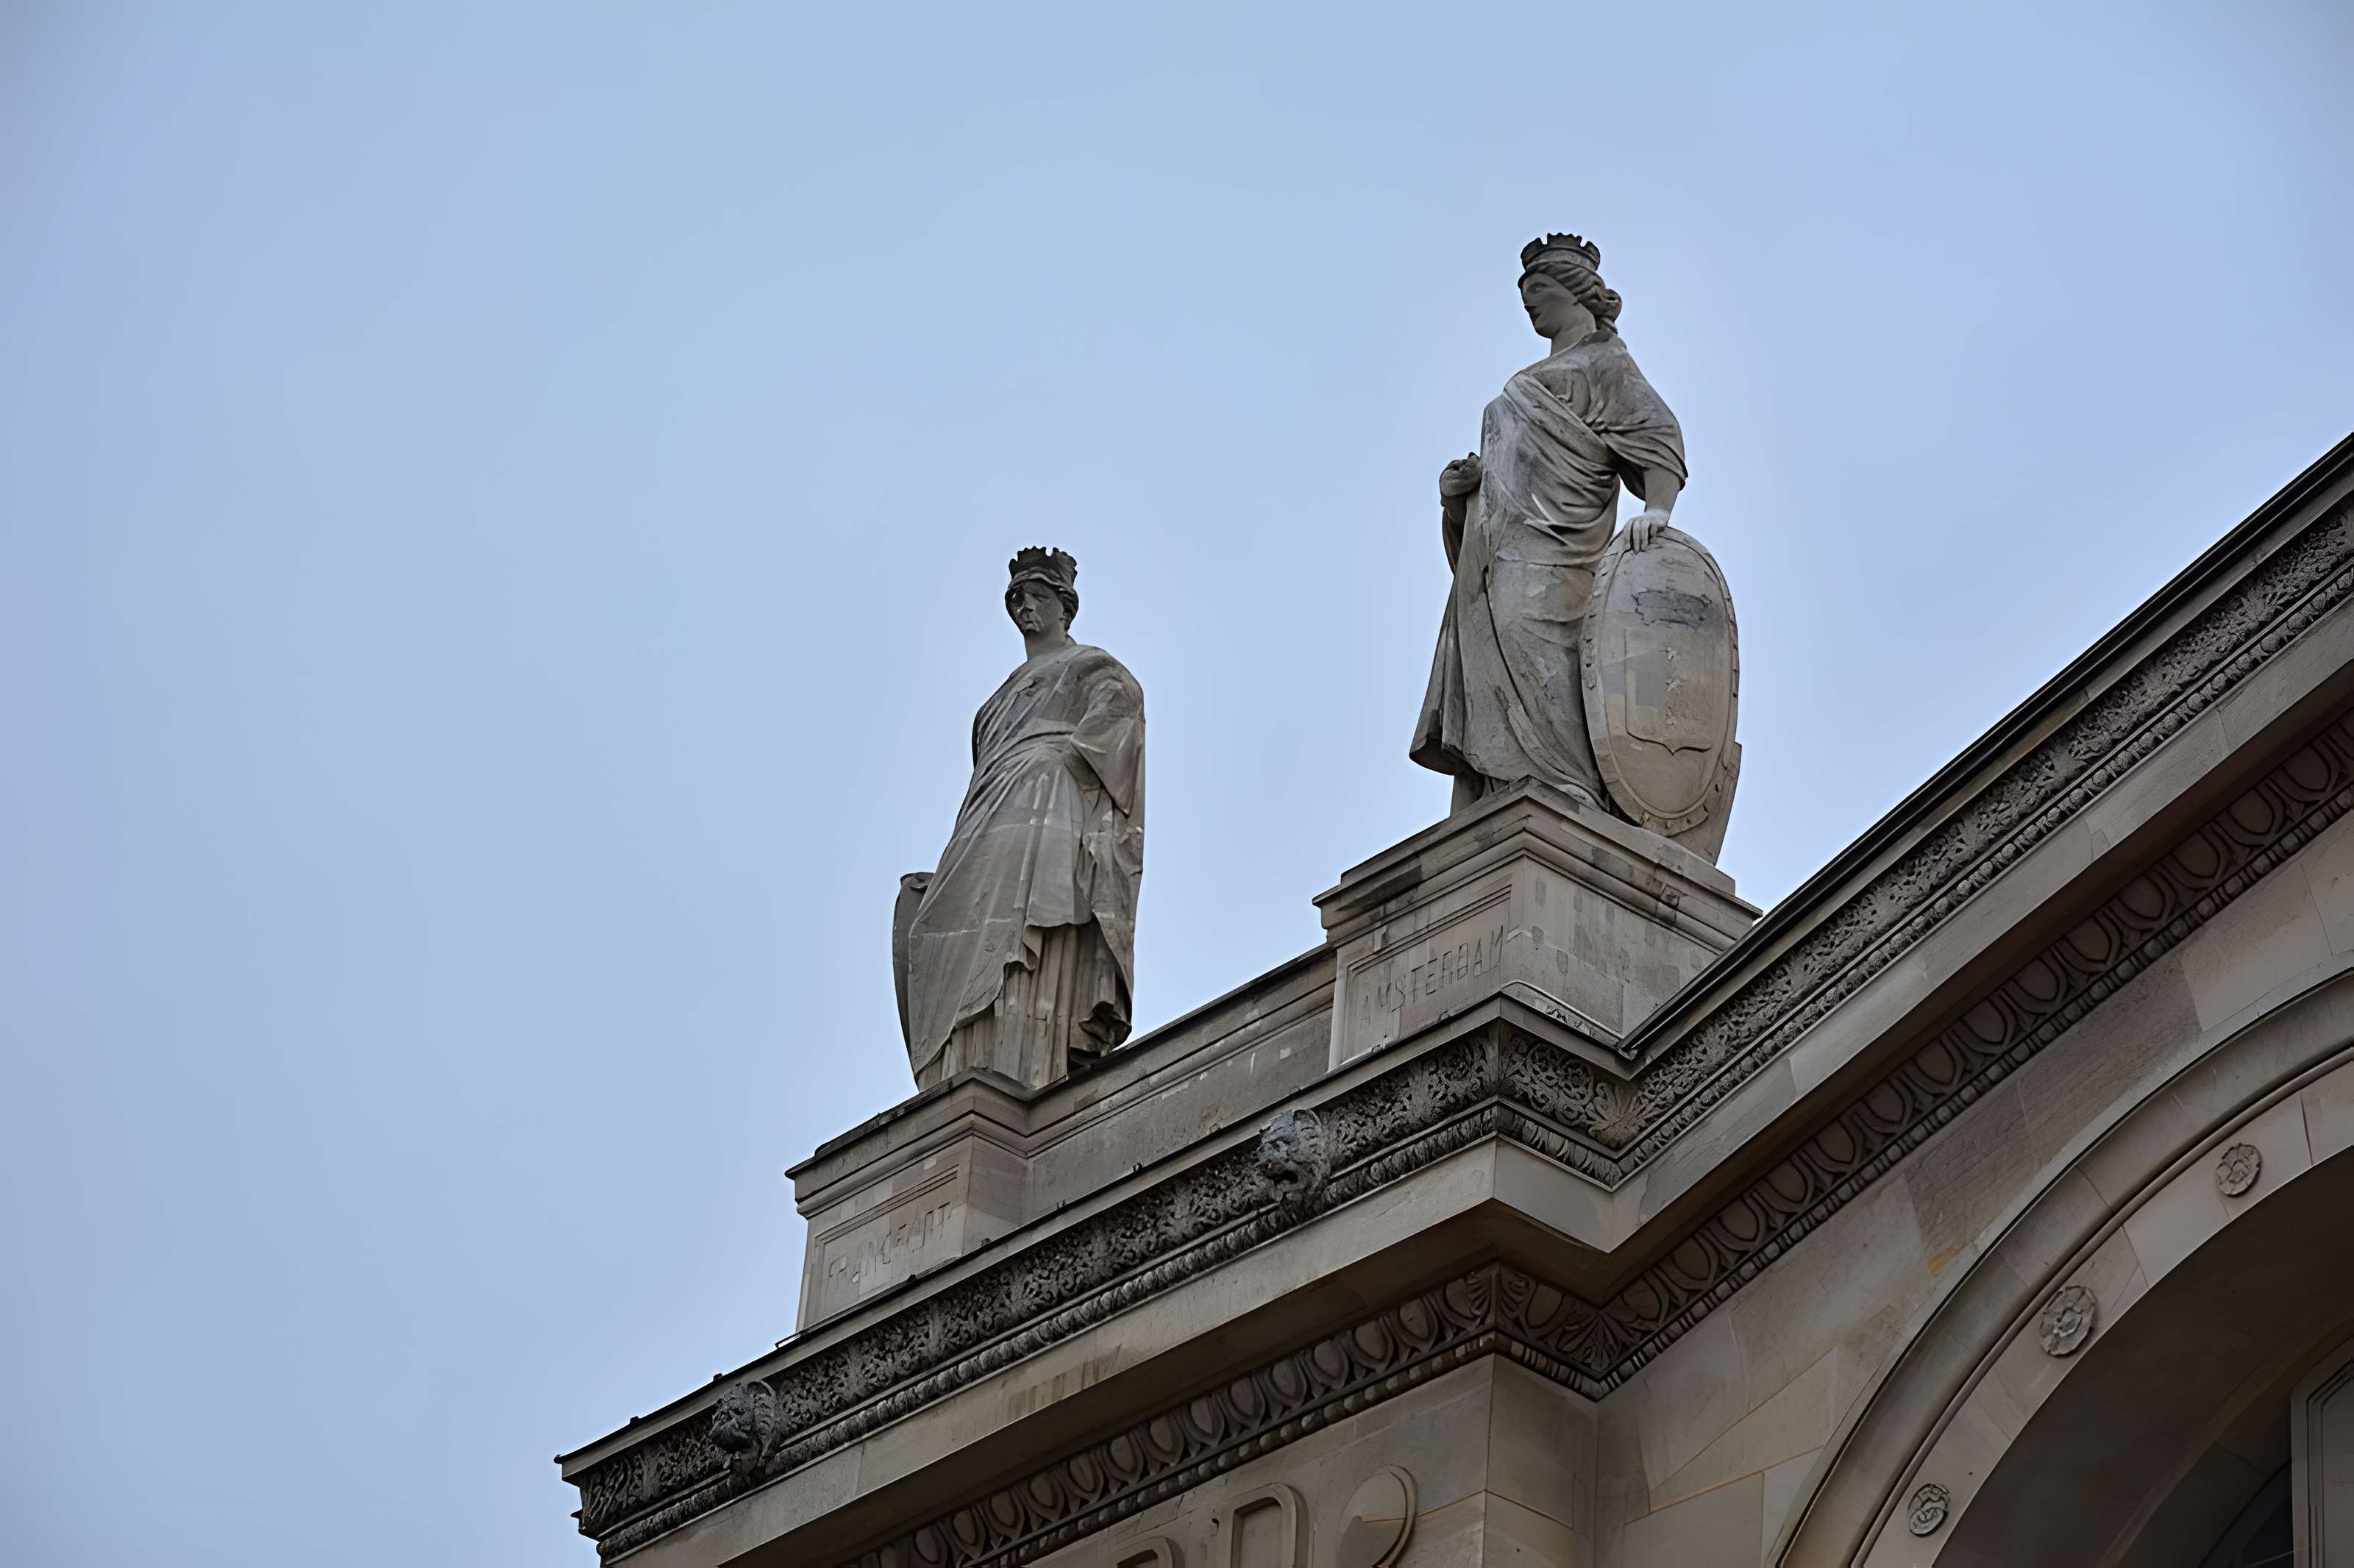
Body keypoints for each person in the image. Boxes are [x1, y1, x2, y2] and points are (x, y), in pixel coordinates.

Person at [1412, 233, 1689, 814]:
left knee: (1547, 670)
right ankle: (1486, 797)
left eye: (1538, 289)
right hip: (1495, 554)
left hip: (1558, 554)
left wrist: (1657, 511)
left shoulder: (1605, 364)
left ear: (1575, 292)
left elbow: (1659, 438)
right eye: (1524, 293)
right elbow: (1504, 476)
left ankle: (1565, 789)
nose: (1529, 303)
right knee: (1486, 674)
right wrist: (1459, 496)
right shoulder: (1531, 377)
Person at [897, 548, 1145, 1089]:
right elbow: (981, 773)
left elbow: (1119, 717)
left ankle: (1022, 1067)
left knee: (1024, 936)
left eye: (1038, 597)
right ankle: (957, 1077)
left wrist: (1056, 764)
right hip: (987, 817)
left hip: (1046, 809)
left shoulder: (1090, 667)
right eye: (1018, 600)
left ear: (1065, 607)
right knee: (935, 929)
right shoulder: (992, 706)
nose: (1026, 609)